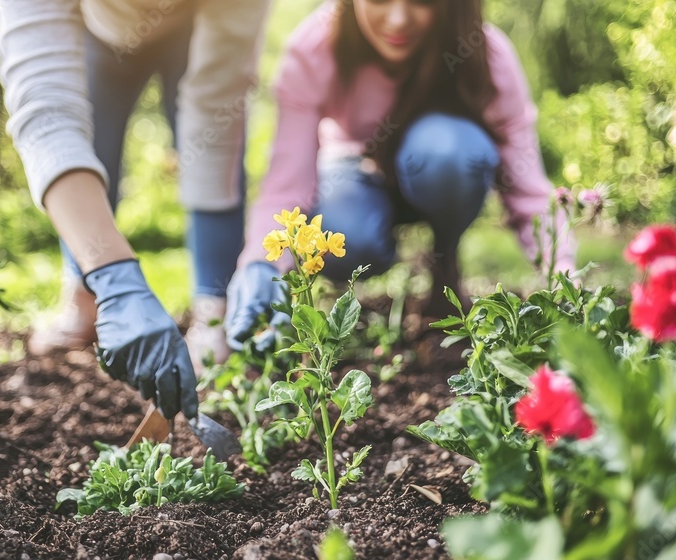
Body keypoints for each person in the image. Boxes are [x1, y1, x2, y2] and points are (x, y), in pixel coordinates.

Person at [224, 0, 576, 349]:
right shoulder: (315, 46)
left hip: (439, 169)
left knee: (448, 154)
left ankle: (444, 256)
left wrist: (565, 276)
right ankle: (381, 250)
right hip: (355, 170)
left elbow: (528, 190)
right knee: (345, 236)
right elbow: (287, 184)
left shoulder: (483, 54)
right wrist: (261, 266)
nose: (397, 20)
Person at [0, 0, 269, 419]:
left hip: (195, 29)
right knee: (91, 141)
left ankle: (214, 309)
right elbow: (47, 112)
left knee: (213, 131)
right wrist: (113, 277)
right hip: (97, 33)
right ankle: (84, 295)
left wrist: (214, 312)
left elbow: (217, 112)